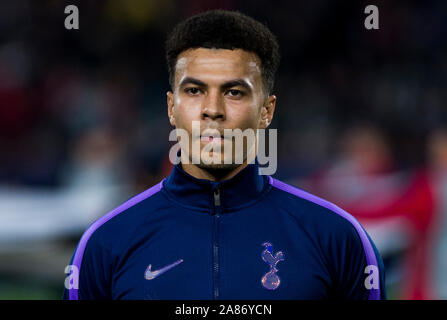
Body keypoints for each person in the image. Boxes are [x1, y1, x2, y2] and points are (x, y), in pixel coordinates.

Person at [63, 9, 385, 300]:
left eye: (234, 92)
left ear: (266, 111)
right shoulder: (105, 245)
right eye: (194, 91)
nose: (212, 110)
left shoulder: (339, 240)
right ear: (171, 108)